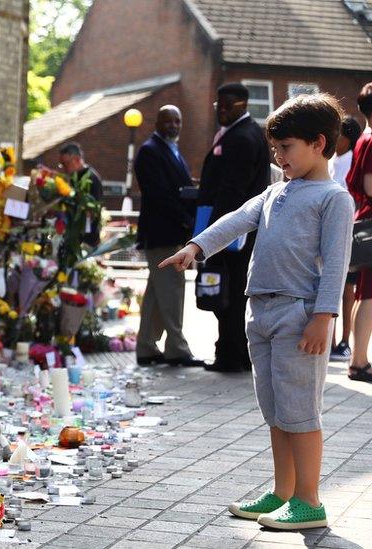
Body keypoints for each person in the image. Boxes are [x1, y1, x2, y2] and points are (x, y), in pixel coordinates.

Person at [161, 93, 352, 530]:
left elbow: (337, 263)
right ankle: (282, 492)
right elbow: (235, 220)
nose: (278, 157)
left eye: (285, 149)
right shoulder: (275, 191)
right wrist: (196, 246)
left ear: (318, 144)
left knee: (301, 411)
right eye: (275, 150)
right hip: (260, 312)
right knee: (276, 411)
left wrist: (324, 318)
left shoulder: (333, 199)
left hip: (299, 316)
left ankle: (309, 500)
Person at [196, 83, 272, 372]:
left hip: (233, 234)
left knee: (228, 292)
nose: (222, 111)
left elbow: (231, 190)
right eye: (219, 105)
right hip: (238, 231)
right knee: (232, 290)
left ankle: (231, 354)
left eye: (228, 105)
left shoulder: (241, 137)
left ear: (242, 104)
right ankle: (235, 352)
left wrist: (213, 236)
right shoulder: (242, 133)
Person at [133, 105, 204, 367]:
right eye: (168, 121)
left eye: (178, 120)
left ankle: (146, 346)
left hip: (170, 232)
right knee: (172, 290)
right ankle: (176, 347)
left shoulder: (172, 150)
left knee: (156, 293)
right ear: (157, 123)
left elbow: (178, 188)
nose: (174, 125)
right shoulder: (150, 151)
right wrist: (187, 221)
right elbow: (160, 195)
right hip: (163, 234)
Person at [329, 115, 363, 363]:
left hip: (349, 228)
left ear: (348, 138)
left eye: (338, 135)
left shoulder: (353, 159)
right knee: (331, 285)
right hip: (330, 228)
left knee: (348, 289)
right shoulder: (332, 160)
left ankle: (344, 341)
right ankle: (330, 340)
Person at [345, 84, 372, 382]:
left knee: (365, 292)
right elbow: (370, 187)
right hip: (371, 219)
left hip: (364, 218)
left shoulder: (362, 139)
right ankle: (360, 361)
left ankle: (358, 358)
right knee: (369, 295)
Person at [58, 142, 103, 246]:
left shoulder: (91, 178)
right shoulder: (74, 177)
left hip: (87, 238)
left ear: (77, 159)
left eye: (65, 164)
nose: (64, 168)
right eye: (61, 165)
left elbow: (91, 211)